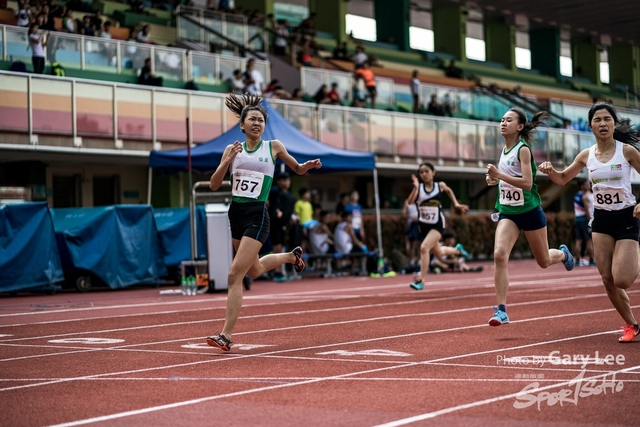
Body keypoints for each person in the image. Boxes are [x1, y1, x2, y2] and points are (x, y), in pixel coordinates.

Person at [207, 93, 322, 351]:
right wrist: (227, 160)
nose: (257, 123)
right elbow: (214, 185)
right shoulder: (232, 149)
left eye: (261, 120)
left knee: (234, 274)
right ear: (242, 125)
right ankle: (291, 257)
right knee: (255, 270)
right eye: (252, 119)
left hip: (258, 215)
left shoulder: (273, 147)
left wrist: (306, 166)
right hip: (236, 214)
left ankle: (225, 335)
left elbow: (297, 168)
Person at [538, 103, 640, 342]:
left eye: (607, 119)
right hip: (601, 220)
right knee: (608, 280)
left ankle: (633, 254)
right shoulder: (587, 155)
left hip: (626, 217)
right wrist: (550, 171)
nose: (602, 123)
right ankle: (631, 324)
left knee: (623, 279)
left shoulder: (627, 152)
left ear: (614, 124)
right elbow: (562, 178)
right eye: (597, 120)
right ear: (590, 126)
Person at [486, 108, 574, 327]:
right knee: (499, 255)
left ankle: (563, 254)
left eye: (508, 120)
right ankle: (501, 311)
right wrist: (495, 180)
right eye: (502, 119)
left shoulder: (522, 150)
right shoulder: (504, 149)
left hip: (530, 211)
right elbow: (508, 178)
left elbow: (526, 183)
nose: (503, 123)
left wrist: (499, 175)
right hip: (508, 212)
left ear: (520, 126)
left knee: (543, 261)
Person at [408, 162, 469, 290]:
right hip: (424, 227)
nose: (424, 174)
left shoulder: (439, 186)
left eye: (426, 171)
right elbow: (410, 202)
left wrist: (456, 204)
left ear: (433, 172)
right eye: (421, 172)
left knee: (424, 248)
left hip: (437, 225)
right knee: (440, 253)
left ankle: (421, 281)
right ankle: (458, 250)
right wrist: (415, 188)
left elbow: (448, 190)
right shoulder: (419, 188)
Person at [268, 171, 296, 282]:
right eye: (284, 180)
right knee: (277, 248)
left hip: (283, 225)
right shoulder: (273, 192)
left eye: (288, 180)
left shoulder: (289, 196)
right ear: (279, 182)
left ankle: (280, 271)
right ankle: (277, 272)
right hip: (274, 223)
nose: (286, 182)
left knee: (281, 248)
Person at [573, 179, 594, 267]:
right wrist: (590, 220)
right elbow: (587, 210)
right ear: (582, 186)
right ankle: (591, 260)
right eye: (587, 184)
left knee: (578, 241)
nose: (589, 186)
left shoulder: (576, 195)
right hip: (585, 219)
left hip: (578, 219)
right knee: (588, 240)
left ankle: (577, 260)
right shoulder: (585, 197)